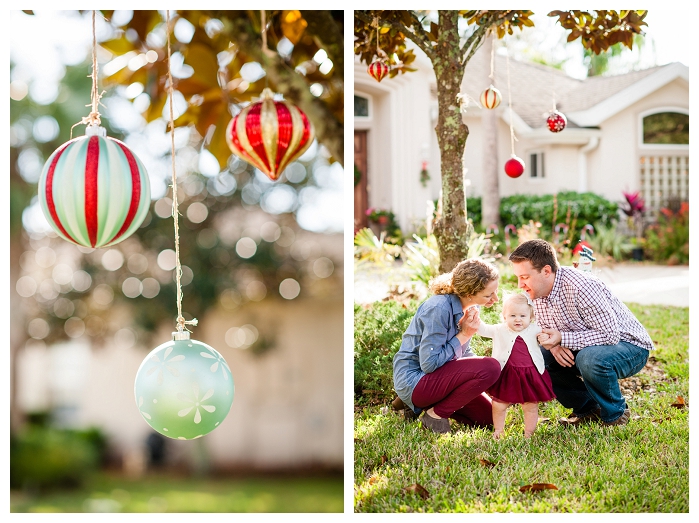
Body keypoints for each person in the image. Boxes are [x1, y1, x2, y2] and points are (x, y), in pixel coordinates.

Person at [509, 239, 654, 426]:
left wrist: (562, 338)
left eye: (525, 277)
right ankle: (588, 409)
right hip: (589, 345)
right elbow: (543, 329)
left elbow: (610, 335)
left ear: (546, 271)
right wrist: (553, 346)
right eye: (518, 277)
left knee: (589, 358)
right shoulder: (538, 292)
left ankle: (616, 414)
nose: (520, 284)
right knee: (540, 358)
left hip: (630, 347)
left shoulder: (581, 286)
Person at [392, 259, 502, 434]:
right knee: (491, 366)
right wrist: (464, 334)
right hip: (416, 379)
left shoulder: (471, 308)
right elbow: (429, 364)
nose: (495, 299)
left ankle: (414, 406)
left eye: (495, 291)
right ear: (470, 293)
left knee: (489, 420)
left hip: (440, 377)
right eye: (489, 295)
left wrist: (487, 382)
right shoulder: (438, 308)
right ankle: (434, 414)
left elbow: (464, 355)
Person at [476, 293, 555, 439]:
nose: (518, 319)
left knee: (530, 406)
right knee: (499, 404)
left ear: (531, 317)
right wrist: (474, 312)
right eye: (512, 315)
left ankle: (529, 434)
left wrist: (545, 337)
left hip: (530, 373)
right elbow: (483, 329)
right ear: (504, 316)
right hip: (507, 373)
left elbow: (547, 337)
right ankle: (499, 430)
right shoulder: (500, 329)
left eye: (522, 316)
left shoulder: (535, 330)